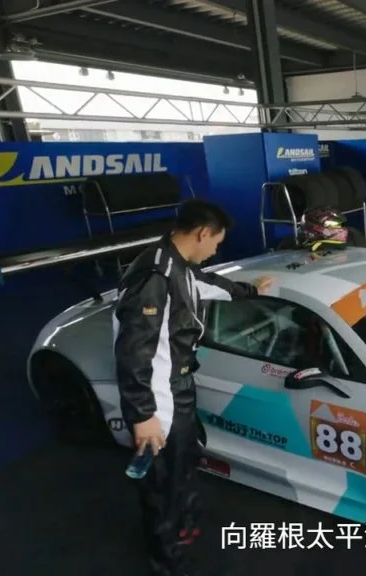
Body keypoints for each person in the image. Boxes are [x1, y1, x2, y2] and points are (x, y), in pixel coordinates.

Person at [112, 198, 274, 576]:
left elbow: (205, 284)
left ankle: (181, 528)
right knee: (161, 482)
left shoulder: (176, 262)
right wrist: (143, 414)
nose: (216, 250)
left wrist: (249, 290)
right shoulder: (154, 276)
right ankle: (167, 561)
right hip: (159, 396)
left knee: (182, 463)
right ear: (203, 233)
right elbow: (133, 351)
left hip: (180, 385)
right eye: (216, 242)